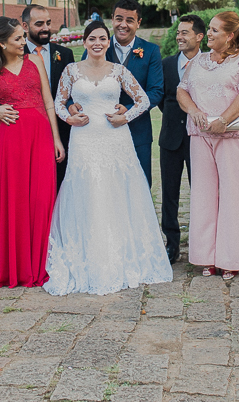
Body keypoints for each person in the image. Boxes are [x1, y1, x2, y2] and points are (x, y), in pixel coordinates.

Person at [45, 20, 174, 295]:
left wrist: (124, 116)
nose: (97, 43)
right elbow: (57, 101)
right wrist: (69, 116)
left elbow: (143, 99)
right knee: (87, 189)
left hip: (115, 138)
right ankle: (88, 253)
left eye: (102, 38)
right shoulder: (71, 70)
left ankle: (123, 253)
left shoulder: (119, 71)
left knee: (116, 190)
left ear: (107, 41)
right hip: (84, 137)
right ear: (85, 41)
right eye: (92, 38)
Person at [0, 17, 65, 288]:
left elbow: (49, 102)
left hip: (40, 135)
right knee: (15, 200)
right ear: (2, 43)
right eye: (17, 38)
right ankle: (14, 266)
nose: (23, 42)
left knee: (41, 198)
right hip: (11, 139)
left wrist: (57, 140)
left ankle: (42, 264)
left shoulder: (36, 61)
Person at [178, 12, 239, 280]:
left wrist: (224, 120)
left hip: (233, 135)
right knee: (203, 195)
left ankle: (230, 259)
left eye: (214, 30)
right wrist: (194, 112)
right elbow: (182, 90)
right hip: (201, 135)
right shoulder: (198, 60)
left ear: (230, 35)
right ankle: (206, 257)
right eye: (209, 29)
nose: (209, 34)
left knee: (232, 196)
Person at [84, 0, 164, 185]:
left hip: (138, 132)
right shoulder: (97, 46)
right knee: (105, 186)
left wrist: (127, 111)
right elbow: (80, 82)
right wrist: (72, 106)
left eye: (130, 20)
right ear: (111, 19)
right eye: (119, 19)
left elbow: (156, 91)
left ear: (139, 23)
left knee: (140, 187)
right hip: (101, 130)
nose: (123, 25)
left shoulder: (151, 51)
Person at [159, 15, 205, 264]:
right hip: (170, 138)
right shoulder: (166, 64)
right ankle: (172, 244)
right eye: (178, 32)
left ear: (199, 37)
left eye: (185, 32)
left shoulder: (209, 63)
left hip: (200, 137)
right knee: (169, 193)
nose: (179, 36)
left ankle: (201, 242)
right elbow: (160, 97)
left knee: (201, 191)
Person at [22, 5, 76, 188]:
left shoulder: (65, 54)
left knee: (60, 184)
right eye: (39, 24)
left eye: (48, 23)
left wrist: (70, 105)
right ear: (24, 26)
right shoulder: (15, 55)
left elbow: (72, 93)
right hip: (28, 130)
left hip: (60, 129)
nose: (46, 28)